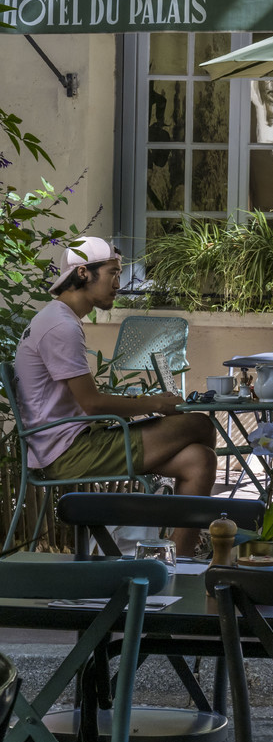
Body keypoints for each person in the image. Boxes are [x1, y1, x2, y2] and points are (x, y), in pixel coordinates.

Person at [14, 237, 218, 554]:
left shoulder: (56, 319)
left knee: (200, 460)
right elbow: (92, 403)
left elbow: (82, 401)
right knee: (200, 426)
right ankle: (170, 545)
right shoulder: (61, 327)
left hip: (74, 440)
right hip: (68, 453)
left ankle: (179, 558)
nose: (118, 284)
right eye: (113, 273)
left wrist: (142, 408)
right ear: (83, 273)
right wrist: (156, 404)